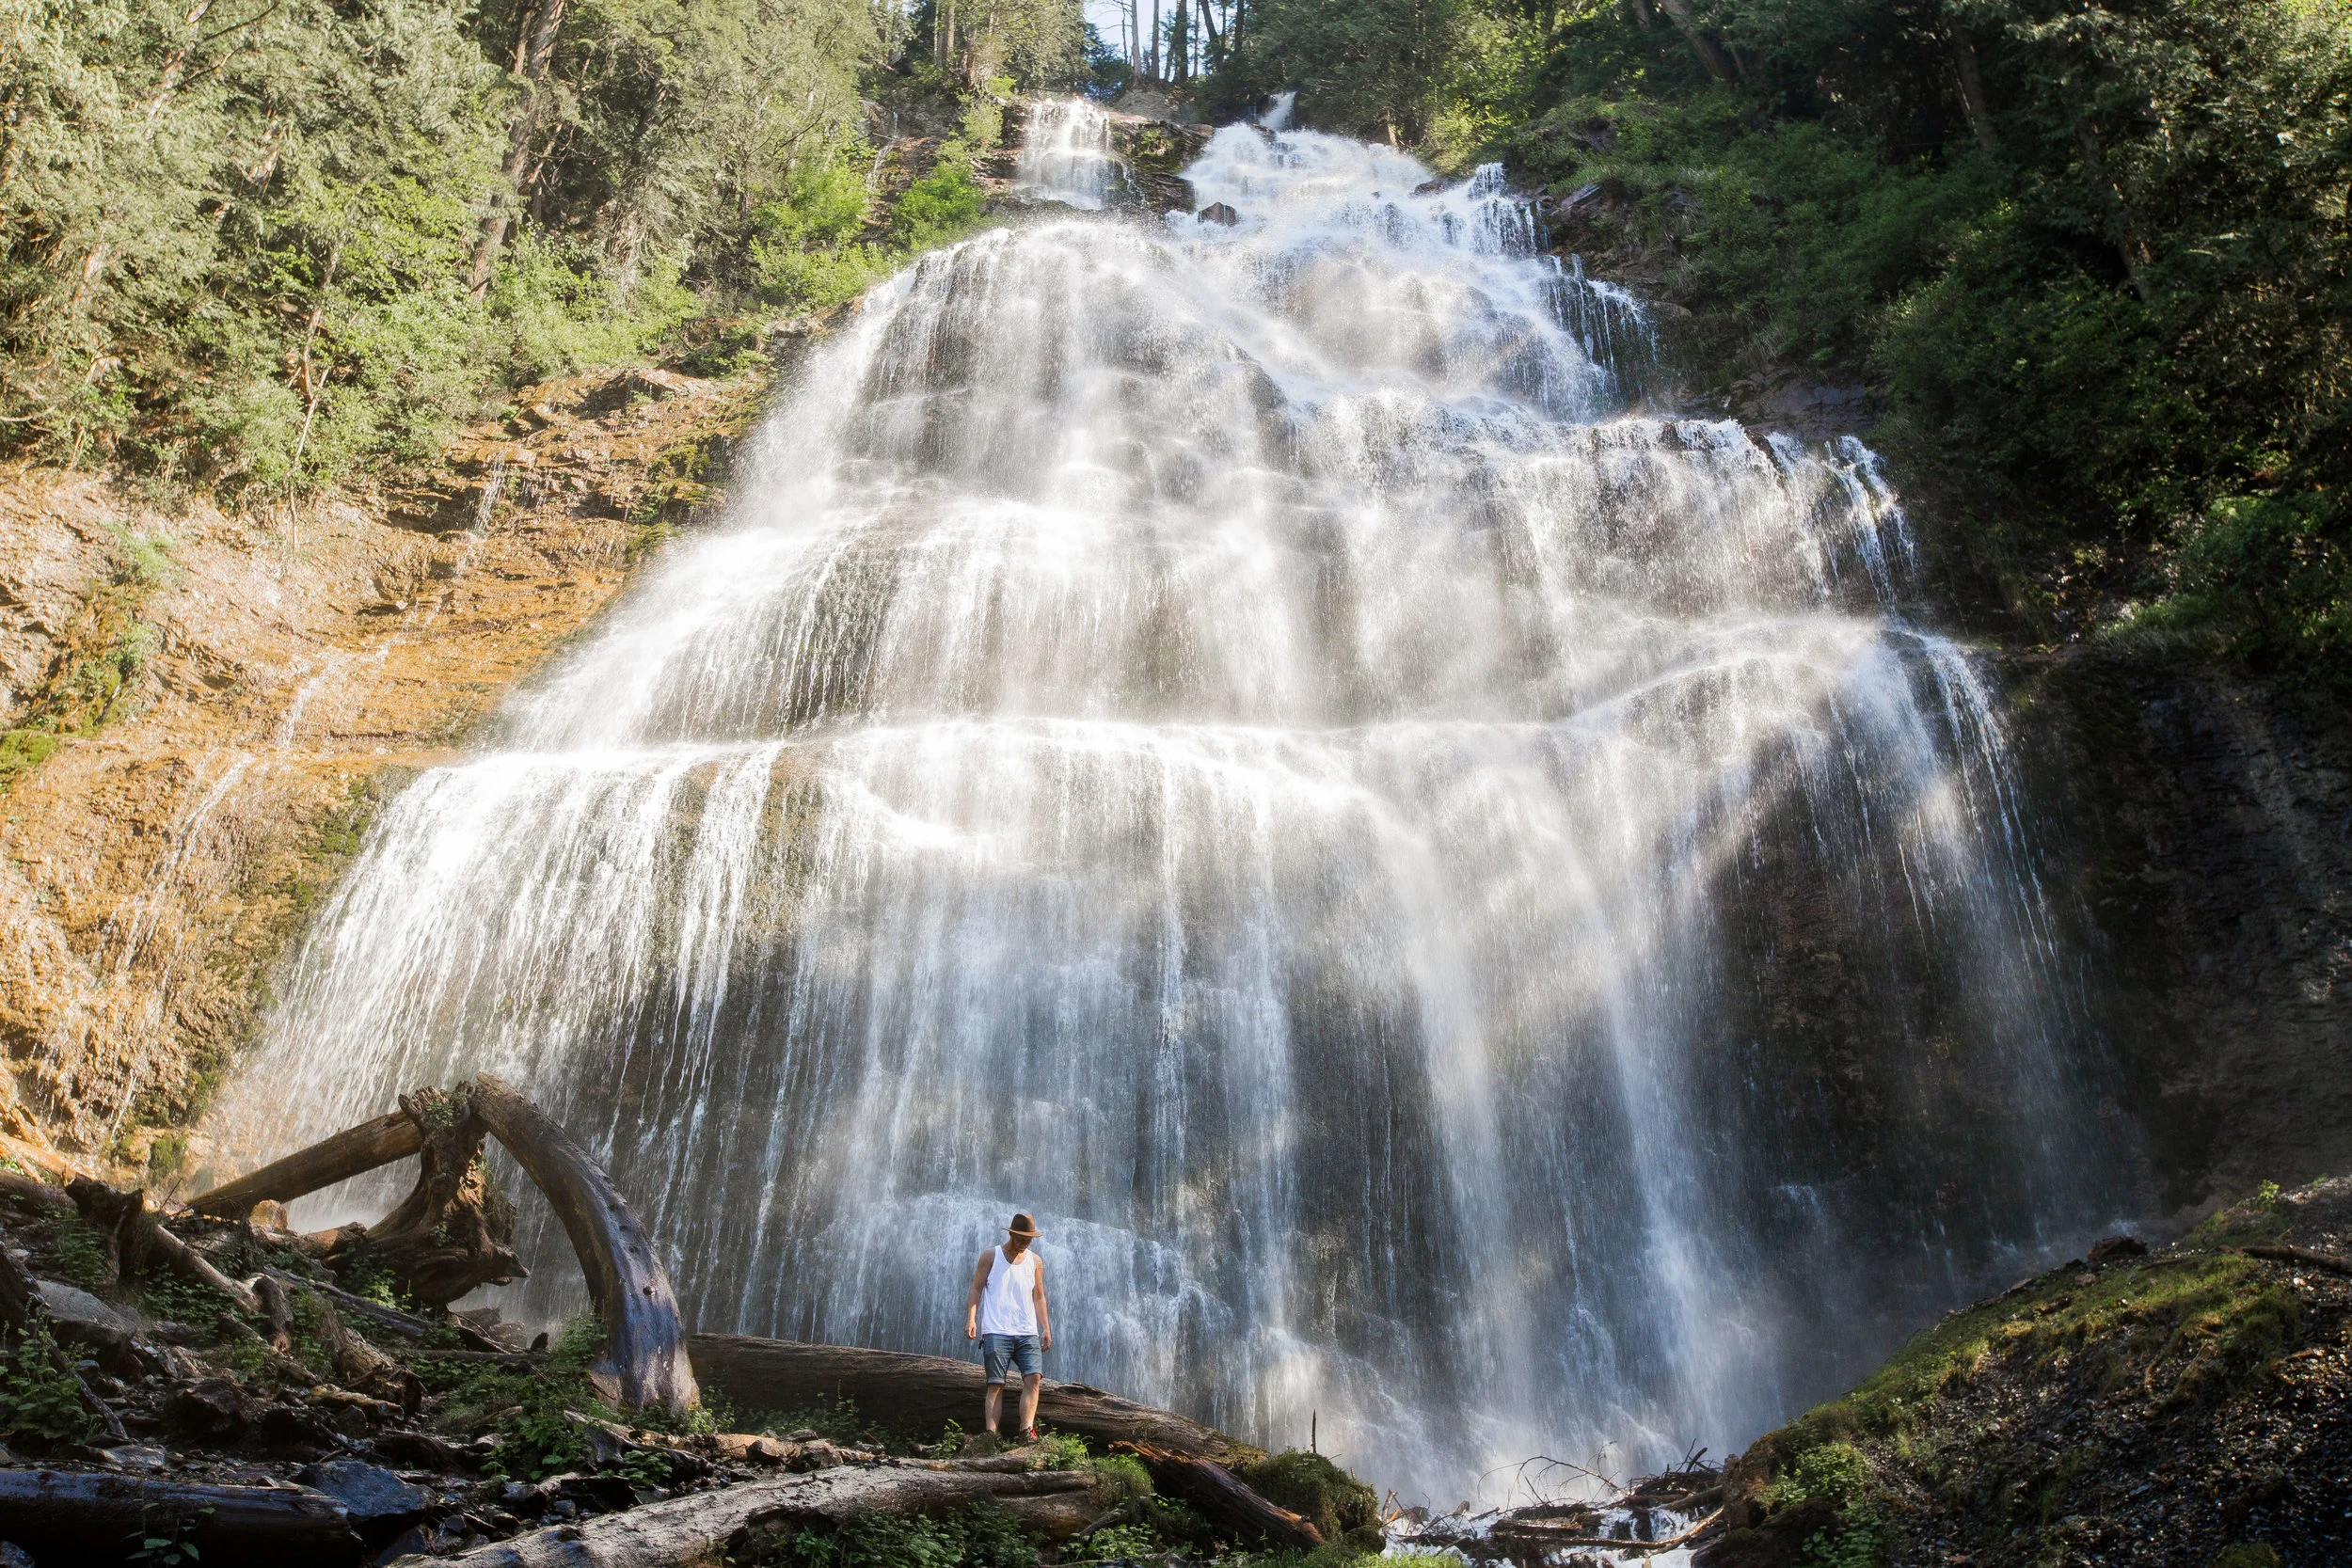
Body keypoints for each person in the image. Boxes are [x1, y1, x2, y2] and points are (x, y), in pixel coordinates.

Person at [964, 1212, 1052, 1440]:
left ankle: (1026, 1430)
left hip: (1026, 1331)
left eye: (1029, 1239)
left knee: (1034, 1378)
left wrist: (1046, 1328)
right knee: (995, 1384)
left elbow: (1039, 1296)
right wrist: (971, 1318)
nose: (1024, 1243)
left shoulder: (1036, 1261)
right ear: (1011, 1233)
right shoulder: (990, 1256)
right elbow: (976, 1288)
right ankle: (990, 1436)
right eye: (1021, 1238)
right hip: (997, 1330)